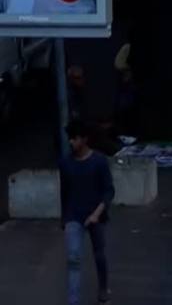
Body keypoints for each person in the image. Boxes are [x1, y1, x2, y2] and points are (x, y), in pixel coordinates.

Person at [60, 120, 113, 305]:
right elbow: (64, 193)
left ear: (84, 139)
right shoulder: (65, 163)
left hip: (96, 215)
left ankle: (103, 288)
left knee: (99, 255)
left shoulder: (99, 162)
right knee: (73, 259)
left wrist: (97, 214)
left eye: (74, 138)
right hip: (73, 216)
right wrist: (64, 219)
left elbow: (109, 191)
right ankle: (73, 301)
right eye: (70, 138)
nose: (71, 142)